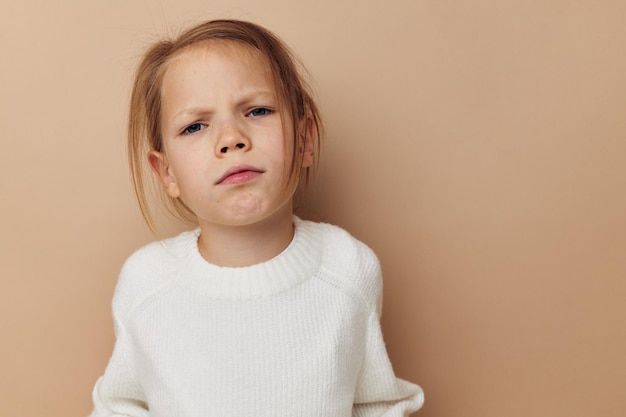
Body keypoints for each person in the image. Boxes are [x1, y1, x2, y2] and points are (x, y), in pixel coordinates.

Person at [90, 19, 424, 417]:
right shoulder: (147, 283)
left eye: (258, 110)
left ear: (305, 140)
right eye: (195, 125)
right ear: (167, 174)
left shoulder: (347, 267)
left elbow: (377, 405)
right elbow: (118, 408)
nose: (232, 139)